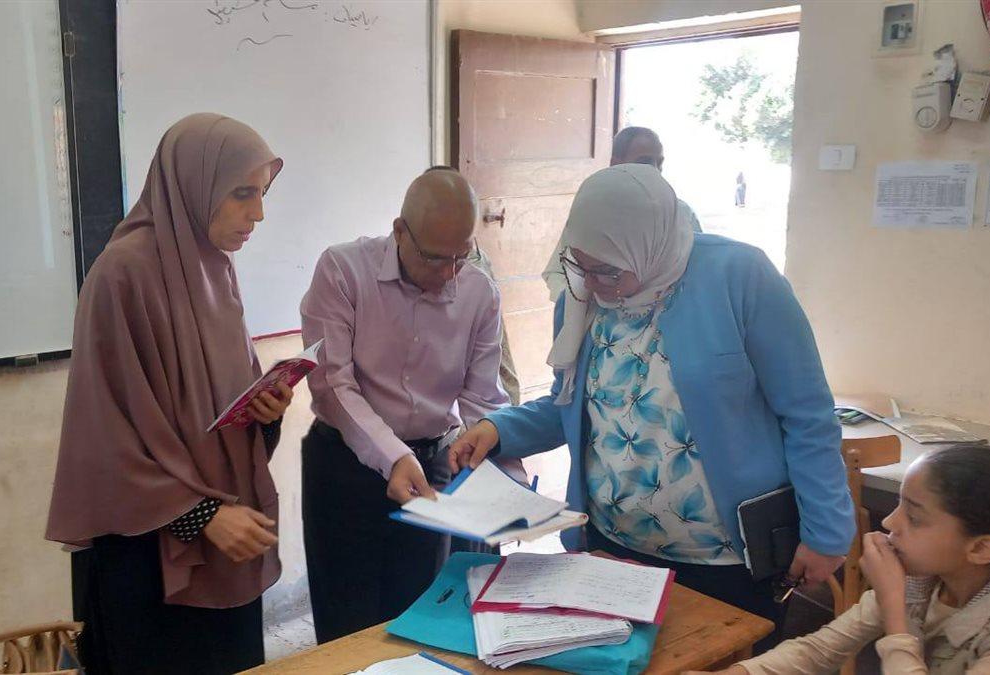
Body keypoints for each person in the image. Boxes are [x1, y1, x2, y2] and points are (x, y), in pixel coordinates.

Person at [450, 164, 853, 642]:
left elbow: (807, 415)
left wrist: (826, 533)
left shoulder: (740, 277)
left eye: (609, 270)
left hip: (726, 559)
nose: (593, 283)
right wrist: (499, 429)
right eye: (581, 265)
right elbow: (573, 406)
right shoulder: (580, 300)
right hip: (613, 549)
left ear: (647, 243)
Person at [45, 114, 294, 675]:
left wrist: (265, 415)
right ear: (194, 185)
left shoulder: (214, 269)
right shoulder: (121, 275)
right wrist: (200, 514)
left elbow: (214, 413)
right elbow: (103, 440)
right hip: (146, 559)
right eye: (242, 193)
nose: (258, 213)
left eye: (263, 193)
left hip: (224, 542)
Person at [300, 167, 509, 643]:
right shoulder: (343, 270)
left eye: (462, 256)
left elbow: (482, 398)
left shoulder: (479, 291)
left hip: (432, 467)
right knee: (347, 626)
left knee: (422, 619)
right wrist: (393, 455)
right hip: (345, 466)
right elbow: (333, 384)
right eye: (435, 258)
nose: (448, 273)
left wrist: (500, 476)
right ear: (399, 231)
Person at [694, 444, 990, 674]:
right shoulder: (921, 582)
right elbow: (820, 649)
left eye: (913, 517)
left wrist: (894, 611)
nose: (889, 522)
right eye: (898, 506)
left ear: (981, 549)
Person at [542, 126, 700, 300]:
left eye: (659, 163)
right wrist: (580, 304)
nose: (654, 170)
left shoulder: (682, 215)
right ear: (616, 164)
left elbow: (695, 279)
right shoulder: (593, 214)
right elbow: (557, 273)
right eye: (645, 162)